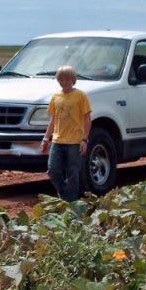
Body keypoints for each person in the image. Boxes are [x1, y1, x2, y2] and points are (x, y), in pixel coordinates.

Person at [39, 65, 91, 202]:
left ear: (73, 79)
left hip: (75, 141)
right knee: (52, 171)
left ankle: (70, 203)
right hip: (57, 140)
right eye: (61, 79)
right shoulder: (56, 96)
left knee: (73, 174)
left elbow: (87, 118)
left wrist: (84, 140)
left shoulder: (81, 95)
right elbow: (53, 120)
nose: (64, 82)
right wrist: (45, 138)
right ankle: (65, 196)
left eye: (67, 79)